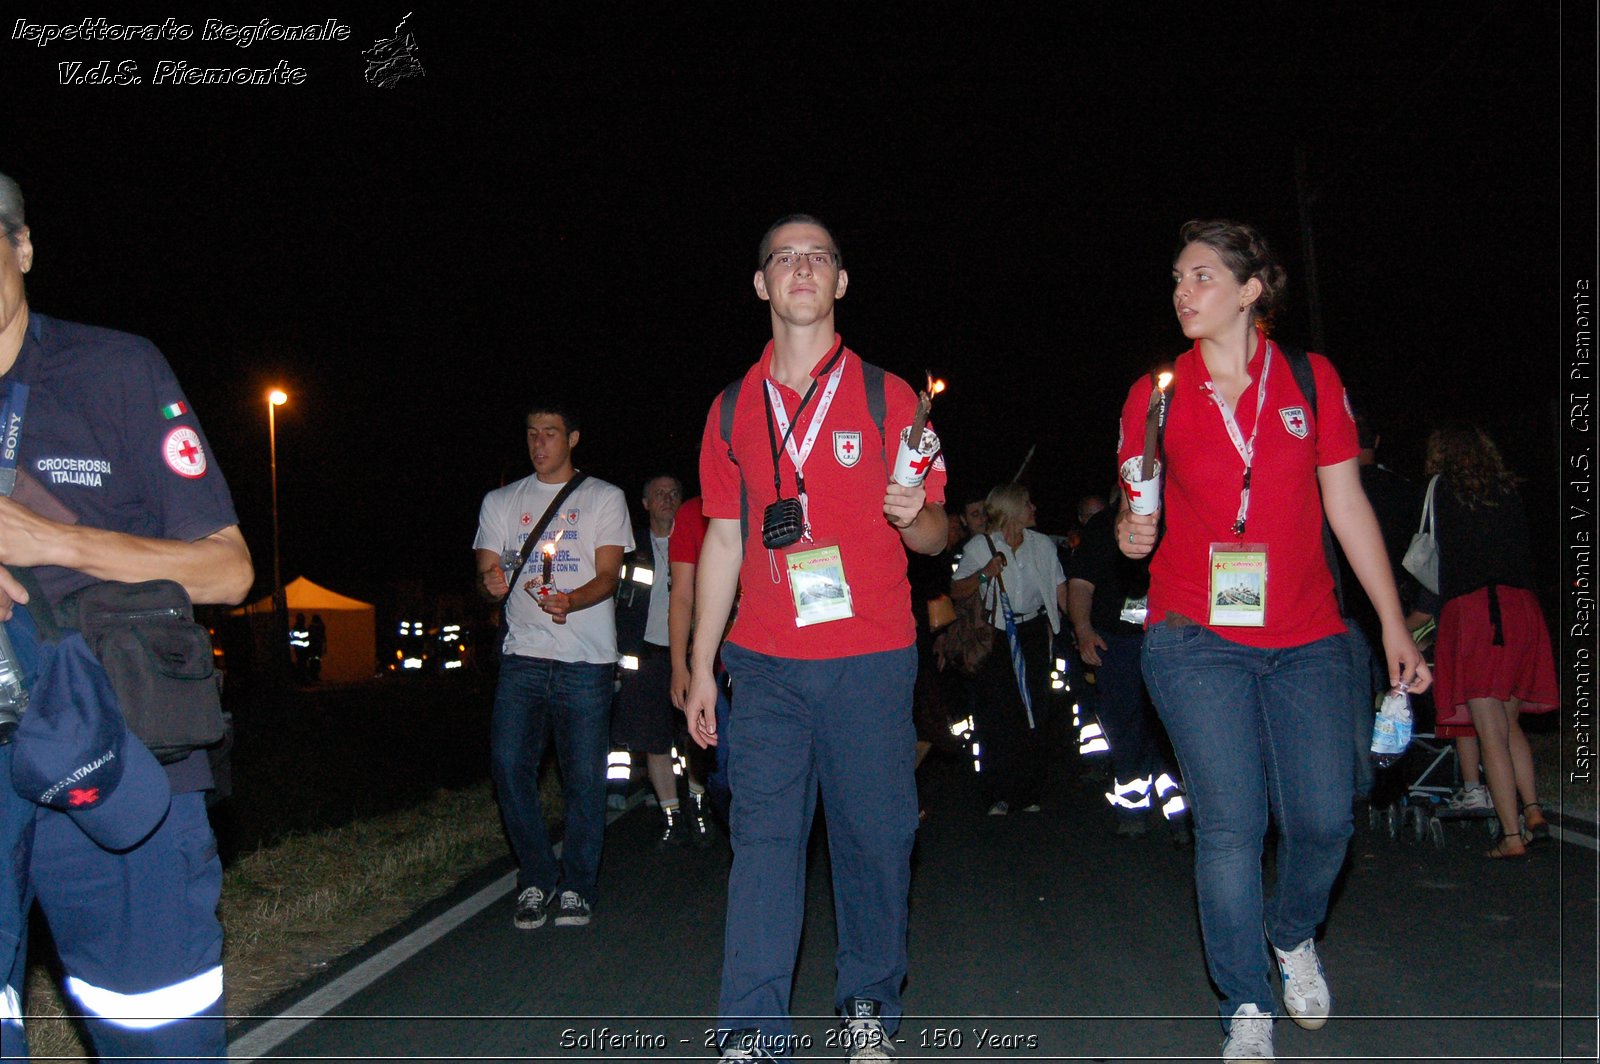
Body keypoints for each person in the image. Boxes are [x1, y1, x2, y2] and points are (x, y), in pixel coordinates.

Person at [1117, 219, 1429, 1064]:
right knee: (1230, 825)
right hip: (1195, 633)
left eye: (1204, 276)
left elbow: (1347, 505)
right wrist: (1131, 532)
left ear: (1253, 289)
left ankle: (1291, 935)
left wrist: (1392, 622)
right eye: (1178, 277)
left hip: (1311, 636)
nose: (1184, 292)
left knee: (1327, 819)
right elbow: (1133, 503)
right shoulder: (1158, 395)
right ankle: (1245, 1001)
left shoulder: (1310, 379)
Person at [0, 171, 254, 1061]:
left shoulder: (115, 368)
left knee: (160, 1037)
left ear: (23, 247)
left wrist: (49, 542)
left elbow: (228, 570)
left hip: (114, 751)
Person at [684, 214, 948, 1061]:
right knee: (763, 841)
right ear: (761, 284)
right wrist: (697, 666)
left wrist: (918, 517)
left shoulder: (890, 397)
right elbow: (722, 540)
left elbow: (938, 536)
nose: (801, 268)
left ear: (841, 282)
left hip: (870, 658)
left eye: (819, 257)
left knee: (876, 840)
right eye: (784, 258)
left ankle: (869, 1002)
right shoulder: (729, 411)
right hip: (763, 664)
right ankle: (752, 1029)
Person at [473, 404, 632, 930]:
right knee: (508, 767)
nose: (539, 443)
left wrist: (572, 599)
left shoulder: (603, 497)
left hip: (586, 660)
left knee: (584, 778)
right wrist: (490, 583)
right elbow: (486, 569)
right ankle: (538, 876)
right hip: (523, 657)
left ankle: (578, 885)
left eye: (550, 434)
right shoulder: (501, 500)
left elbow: (609, 574)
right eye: (532, 434)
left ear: (574, 438)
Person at [1422, 422, 1558, 857]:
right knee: (1509, 720)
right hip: (1522, 610)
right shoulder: (1508, 489)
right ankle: (1532, 811)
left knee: (1490, 731)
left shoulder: (1443, 490)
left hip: (1477, 612)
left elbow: (1440, 560)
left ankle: (1511, 837)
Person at [1067, 487, 1188, 842]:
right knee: (1125, 725)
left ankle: (1180, 812)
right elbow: (1080, 583)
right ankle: (1133, 809)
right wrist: (1084, 628)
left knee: (1171, 729)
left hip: (1170, 637)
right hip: (1117, 642)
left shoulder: (1179, 517)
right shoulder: (1103, 526)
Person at [949, 482, 1066, 815]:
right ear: (1012, 509)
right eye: (1028, 503)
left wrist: (1082, 627)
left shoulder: (1042, 545)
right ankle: (998, 792)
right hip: (996, 636)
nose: (1034, 509)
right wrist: (985, 574)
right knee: (998, 715)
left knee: (1035, 708)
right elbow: (957, 591)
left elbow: (1059, 590)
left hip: (1031, 632)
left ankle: (1029, 792)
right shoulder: (981, 546)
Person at [613, 474, 710, 846]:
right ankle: (671, 816)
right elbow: (615, 602)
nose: (668, 500)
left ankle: (699, 809)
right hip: (647, 656)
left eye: (674, 493)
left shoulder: (701, 540)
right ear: (645, 503)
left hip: (693, 654)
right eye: (659, 494)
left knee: (698, 736)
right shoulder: (628, 547)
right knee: (652, 738)